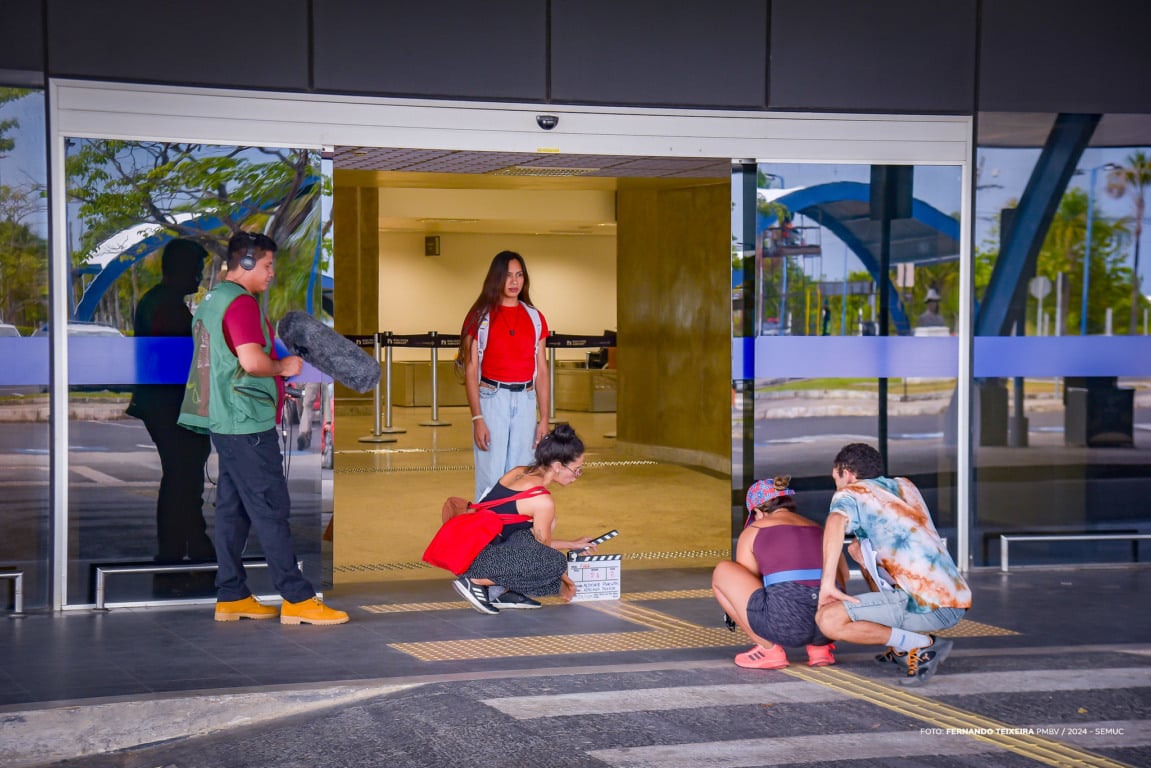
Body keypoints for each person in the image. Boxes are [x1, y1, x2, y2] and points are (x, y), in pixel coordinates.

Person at [178, 231, 348, 626]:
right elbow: (253, 362)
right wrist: (284, 368)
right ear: (248, 263)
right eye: (268, 265)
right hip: (247, 423)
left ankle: (232, 594)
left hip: (226, 419)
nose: (272, 273)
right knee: (271, 509)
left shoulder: (211, 302)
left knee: (234, 511)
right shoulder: (240, 305)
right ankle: (297, 597)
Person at [815, 443, 970, 686]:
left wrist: (827, 585)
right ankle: (900, 649)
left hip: (928, 605)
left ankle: (925, 646)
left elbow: (835, 521)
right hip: (953, 600)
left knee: (828, 620)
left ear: (847, 473)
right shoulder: (904, 486)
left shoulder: (851, 492)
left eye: (836, 478)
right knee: (861, 553)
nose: (836, 485)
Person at [125, 239, 215, 596]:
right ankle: (184, 553)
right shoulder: (165, 307)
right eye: (194, 268)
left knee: (182, 479)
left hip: (167, 405)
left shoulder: (162, 302)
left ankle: (183, 553)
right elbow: (182, 360)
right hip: (171, 406)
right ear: (177, 268)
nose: (198, 275)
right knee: (183, 480)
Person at [453, 423, 598, 614]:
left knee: (543, 528)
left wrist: (572, 544)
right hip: (476, 562)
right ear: (556, 466)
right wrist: (567, 582)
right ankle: (475, 582)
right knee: (554, 564)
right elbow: (542, 554)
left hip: (469, 549)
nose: (576, 476)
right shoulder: (542, 501)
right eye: (576, 469)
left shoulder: (518, 472)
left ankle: (501, 592)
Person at [712, 476, 845, 669]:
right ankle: (820, 649)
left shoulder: (754, 531)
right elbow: (843, 576)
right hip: (831, 623)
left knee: (723, 571)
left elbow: (748, 582)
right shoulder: (820, 529)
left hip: (785, 625)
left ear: (758, 511)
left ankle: (768, 650)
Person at [459, 251, 551, 500]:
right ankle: (487, 535)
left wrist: (544, 419)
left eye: (519, 275)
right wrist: (477, 417)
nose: (514, 281)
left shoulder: (535, 317)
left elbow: (542, 371)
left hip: (525, 400)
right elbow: (471, 369)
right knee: (491, 475)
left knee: (523, 474)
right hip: (492, 399)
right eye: (508, 275)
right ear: (496, 278)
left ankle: (516, 534)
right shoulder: (480, 317)